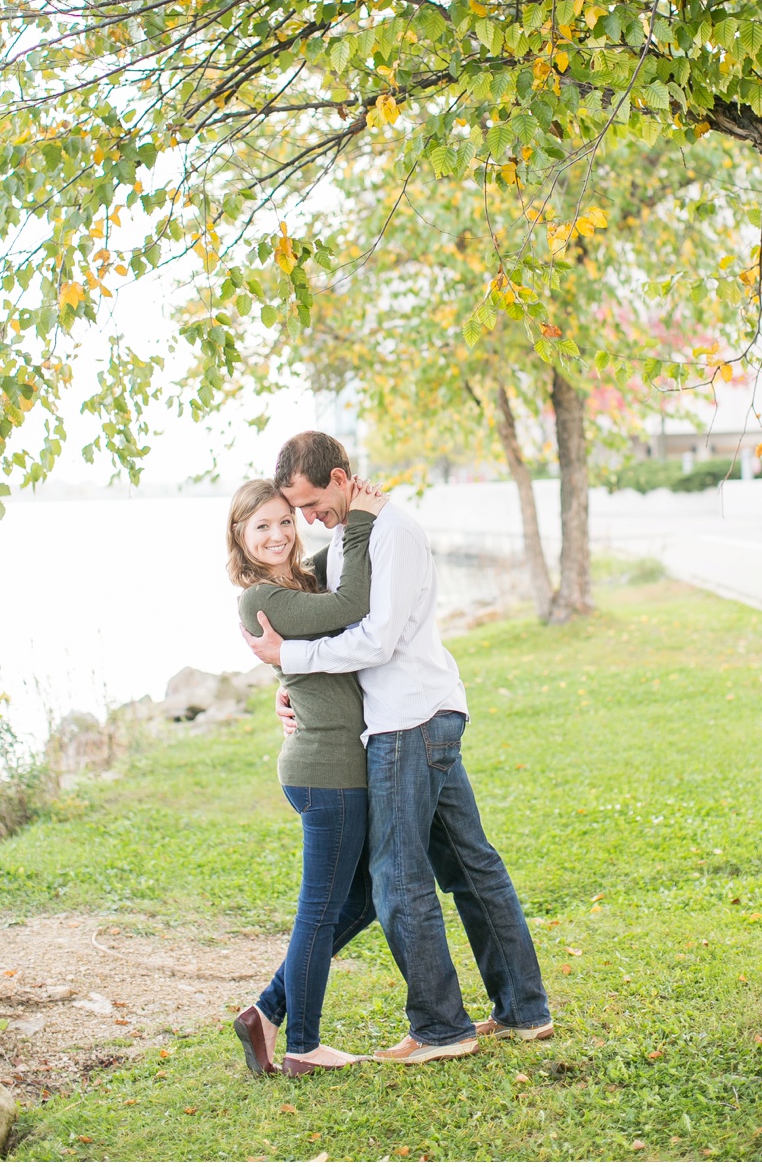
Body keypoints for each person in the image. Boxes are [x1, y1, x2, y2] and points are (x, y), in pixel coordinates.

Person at [241, 431, 552, 1065]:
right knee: (470, 866)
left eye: (306, 504)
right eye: (290, 512)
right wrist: (289, 685)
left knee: (397, 876)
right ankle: (523, 1010)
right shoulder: (353, 536)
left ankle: (441, 1028)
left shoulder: (391, 531)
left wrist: (288, 656)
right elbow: (333, 610)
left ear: (338, 477)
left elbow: (375, 638)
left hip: (407, 721)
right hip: (414, 713)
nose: (304, 521)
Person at [225, 476, 389, 1077]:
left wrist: (349, 512)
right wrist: (364, 520)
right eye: (261, 526)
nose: (277, 534)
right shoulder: (261, 598)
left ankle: (267, 1012)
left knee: (365, 898)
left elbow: (338, 563)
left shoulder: (300, 581)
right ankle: (304, 1045)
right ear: (240, 538)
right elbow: (352, 607)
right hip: (326, 772)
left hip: (334, 764)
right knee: (320, 910)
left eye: (285, 521)